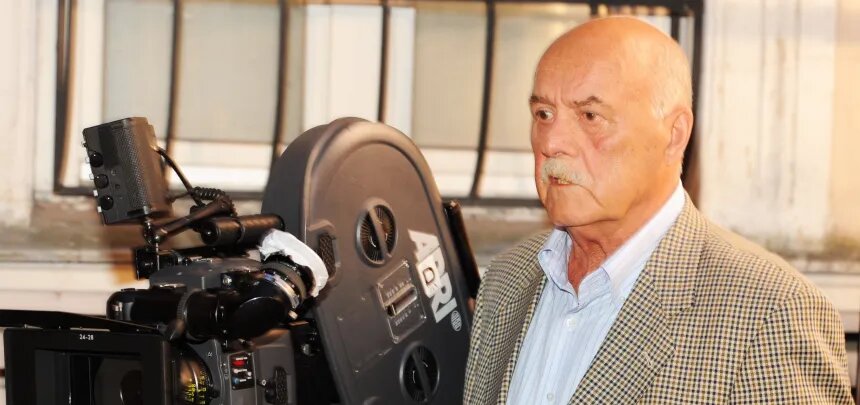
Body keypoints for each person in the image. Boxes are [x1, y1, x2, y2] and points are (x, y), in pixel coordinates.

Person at [463, 16, 852, 404]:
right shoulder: (506, 279)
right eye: (543, 114)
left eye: (590, 116)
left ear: (674, 134)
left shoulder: (769, 312)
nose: (552, 142)